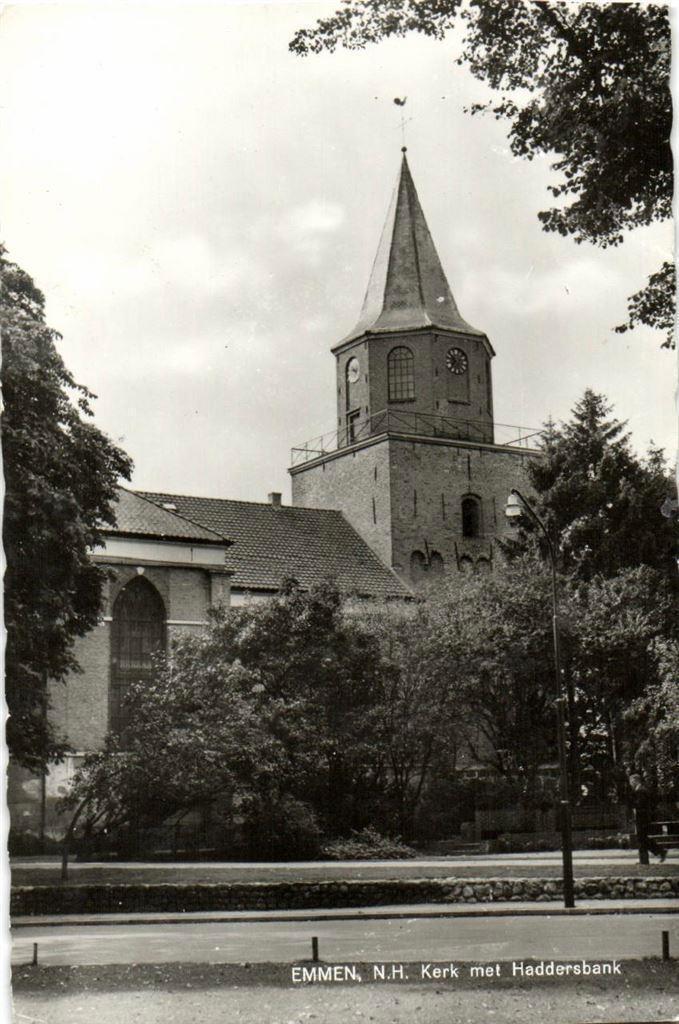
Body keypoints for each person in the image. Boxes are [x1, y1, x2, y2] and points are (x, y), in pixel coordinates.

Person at [628, 772, 666, 863]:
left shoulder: (641, 790)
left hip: (642, 818)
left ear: (635, 780)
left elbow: (640, 805)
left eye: (631, 781)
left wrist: (633, 805)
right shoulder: (641, 790)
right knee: (642, 838)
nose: (630, 783)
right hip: (643, 817)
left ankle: (657, 852)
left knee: (641, 838)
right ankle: (647, 858)